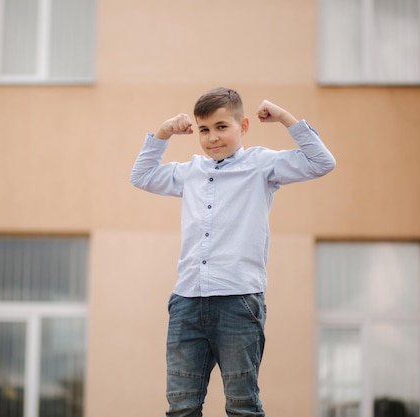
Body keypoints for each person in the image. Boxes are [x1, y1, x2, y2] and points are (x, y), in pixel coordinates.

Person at [130, 87, 336, 417]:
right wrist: (164, 132)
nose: (212, 137)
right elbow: (141, 176)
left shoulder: (262, 165)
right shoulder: (191, 171)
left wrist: (284, 118)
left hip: (238, 301)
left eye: (222, 127)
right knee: (181, 406)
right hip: (187, 301)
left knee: (242, 406)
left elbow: (322, 162)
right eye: (204, 129)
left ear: (244, 126)